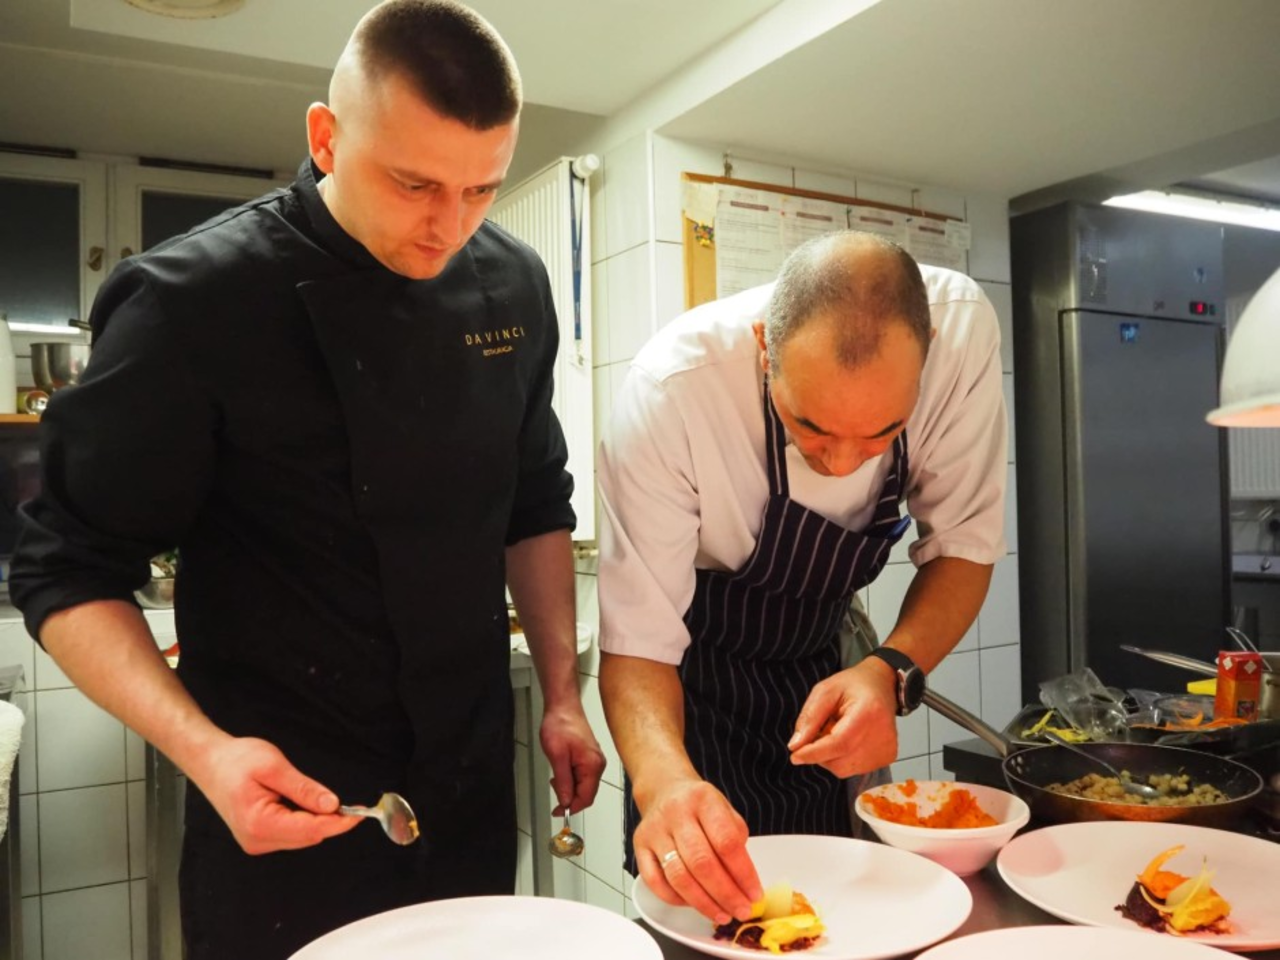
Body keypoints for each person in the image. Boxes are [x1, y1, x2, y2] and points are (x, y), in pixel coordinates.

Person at [9, 2, 604, 956]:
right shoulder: (190, 302)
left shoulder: (514, 285)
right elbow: (64, 571)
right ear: (326, 138)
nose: (448, 227)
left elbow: (535, 502)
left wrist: (564, 694)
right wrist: (206, 753)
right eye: (414, 183)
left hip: (465, 790)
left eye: (481, 189)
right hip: (283, 803)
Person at [596, 231, 1006, 926]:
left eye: (881, 433)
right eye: (810, 427)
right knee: (705, 922)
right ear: (765, 347)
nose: (842, 463)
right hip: (697, 687)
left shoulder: (962, 332)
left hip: (827, 662)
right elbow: (637, 642)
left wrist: (887, 671)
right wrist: (662, 783)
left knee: (842, 913)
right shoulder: (673, 391)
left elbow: (964, 547)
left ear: (929, 351)